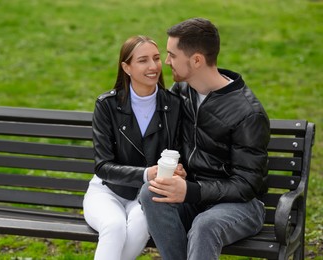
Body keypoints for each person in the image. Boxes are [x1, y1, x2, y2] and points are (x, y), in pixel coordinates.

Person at [139, 18, 270, 260]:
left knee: (205, 224)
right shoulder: (183, 92)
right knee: (151, 193)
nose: (166, 62)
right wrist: (178, 171)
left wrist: (192, 191)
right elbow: (172, 141)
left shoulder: (247, 113)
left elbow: (247, 185)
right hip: (194, 195)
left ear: (196, 60)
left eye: (172, 55)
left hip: (240, 206)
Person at [83, 35, 183, 260]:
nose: (153, 66)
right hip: (108, 191)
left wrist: (180, 169)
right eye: (143, 60)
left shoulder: (174, 105)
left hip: (148, 197)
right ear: (126, 67)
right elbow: (103, 166)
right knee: (114, 227)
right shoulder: (107, 105)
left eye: (156, 58)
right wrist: (147, 173)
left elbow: (179, 152)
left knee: (139, 228)